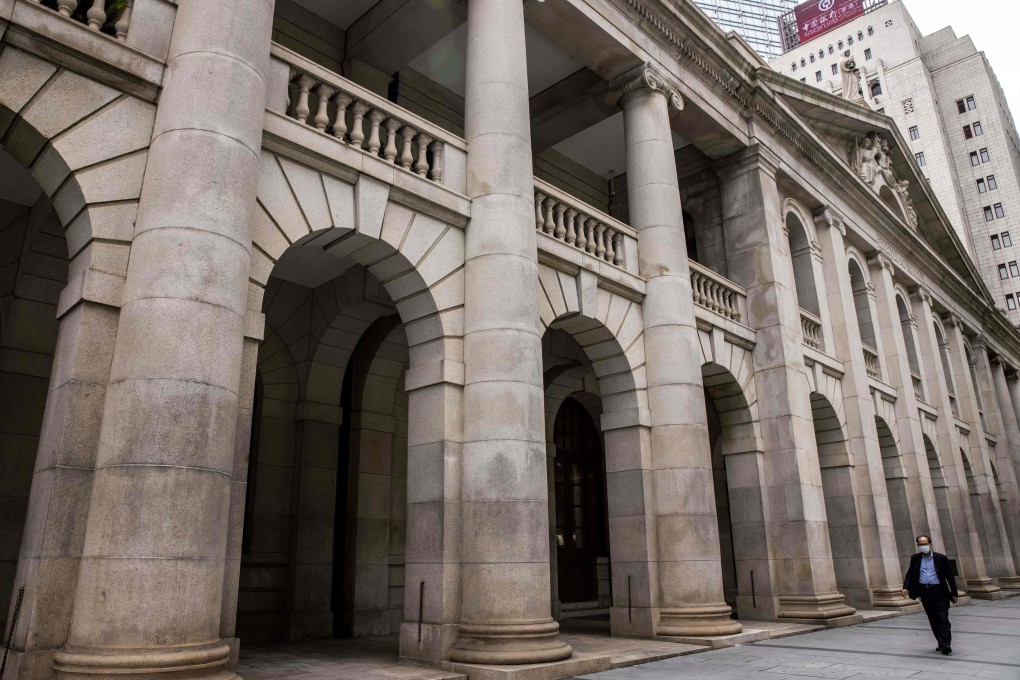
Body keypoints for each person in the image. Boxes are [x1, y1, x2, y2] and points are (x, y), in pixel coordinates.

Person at [902, 534, 958, 655]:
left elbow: (950, 576)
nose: (923, 546)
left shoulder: (941, 558)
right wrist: (906, 587)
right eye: (921, 544)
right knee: (933, 618)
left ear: (930, 544)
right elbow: (910, 574)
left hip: (940, 591)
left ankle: (946, 644)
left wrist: (954, 593)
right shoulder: (915, 558)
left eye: (925, 544)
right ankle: (941, 642)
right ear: (918, 545)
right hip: (925, 592)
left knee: (943, 617)